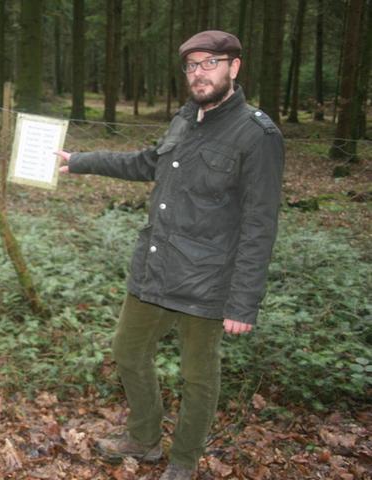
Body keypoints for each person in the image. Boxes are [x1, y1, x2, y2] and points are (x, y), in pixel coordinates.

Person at [56, 31, 284, 479]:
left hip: (208, 278)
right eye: (192, 66)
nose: (199, 73)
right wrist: (81, 160)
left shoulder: (258, 135)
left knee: (198, 377)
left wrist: (243, 302)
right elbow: (147, 163)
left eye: (210, 63)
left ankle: (183, 461)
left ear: (234, 68)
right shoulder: (186, 119)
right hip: (156, 267)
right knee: (127, 350)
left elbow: (260, 225)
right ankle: (144, 440)